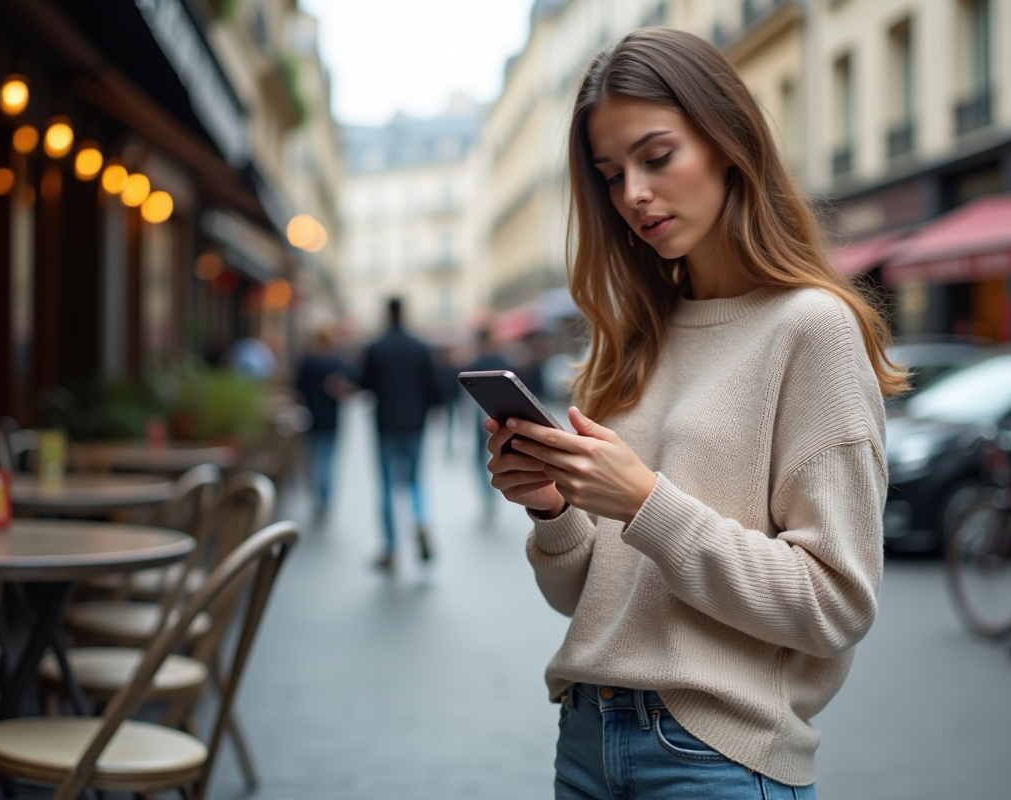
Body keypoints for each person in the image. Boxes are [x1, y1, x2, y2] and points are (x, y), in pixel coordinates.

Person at [483, 29, 906, 800]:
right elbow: (588, 600)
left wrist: (646, 502)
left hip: (714, 756)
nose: (633, 194)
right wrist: (553, 511)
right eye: (611, 175)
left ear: (727, 142)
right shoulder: (633, 339)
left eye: (656, 156)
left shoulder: (811, 328)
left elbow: (835, 604)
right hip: (585, 738)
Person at [358, 298, 442, 570]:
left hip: (386, 424)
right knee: (415, 480)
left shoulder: (376, 347)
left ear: (387, 314)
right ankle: (420, 521)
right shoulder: (420, 347)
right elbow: (434, 387)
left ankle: (391, 550)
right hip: (416, 423)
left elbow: (364, 384)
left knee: (386, 487)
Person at [294, 328, 349, 520]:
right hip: (331, 419)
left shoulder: (308, 363)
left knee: (316, 459)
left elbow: (299, 392)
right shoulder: (335, 363)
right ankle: (325, 499)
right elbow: (344, 388)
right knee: (327, 460)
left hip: (312, 418)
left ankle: (319, 498)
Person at [463, 327, 512, 520]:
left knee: (478, 459)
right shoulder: (504, 363)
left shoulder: (475, 364)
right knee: (504, 455)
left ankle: (488, 495)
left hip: (481, 417)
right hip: (503, 417)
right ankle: (502, 490)